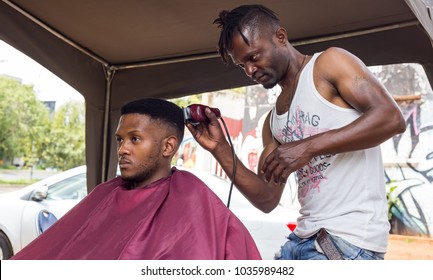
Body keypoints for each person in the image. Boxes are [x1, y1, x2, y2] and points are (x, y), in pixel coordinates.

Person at [187, 5, 406, 260]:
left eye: (253, 57)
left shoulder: (328, 64)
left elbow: (391, 118)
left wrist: (307, 147)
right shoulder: (272, 121)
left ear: (280, 37)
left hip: (346, 241)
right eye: (241, 65)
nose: (249, 70)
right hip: (300, 241)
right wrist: (220, 149)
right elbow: (267, 198)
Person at [11, 98, 261, 260]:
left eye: (135, 139)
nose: (122, 149)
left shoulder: (195, 199)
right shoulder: (104, 194)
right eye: (120, 140)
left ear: (168, 147)